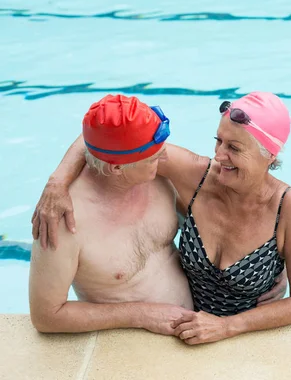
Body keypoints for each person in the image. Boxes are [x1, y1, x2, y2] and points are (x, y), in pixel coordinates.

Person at [32, 92, 291, 344]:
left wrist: (268, 269)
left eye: (233, 148)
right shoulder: (194, 175)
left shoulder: (289, 207)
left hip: (242, 337)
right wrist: (57, 182)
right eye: (218, 141)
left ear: (271, 154)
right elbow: (100, 135)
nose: (219, 155)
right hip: (162, 340)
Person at [29, 94, 195, 335]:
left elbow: (111, 119)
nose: (166, 158)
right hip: (132, 345)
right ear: (116, 167)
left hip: (197, 324)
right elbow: (46, 316)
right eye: (154, 158)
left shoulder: (157, 175)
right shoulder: (64, 220)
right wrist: (141, 315)